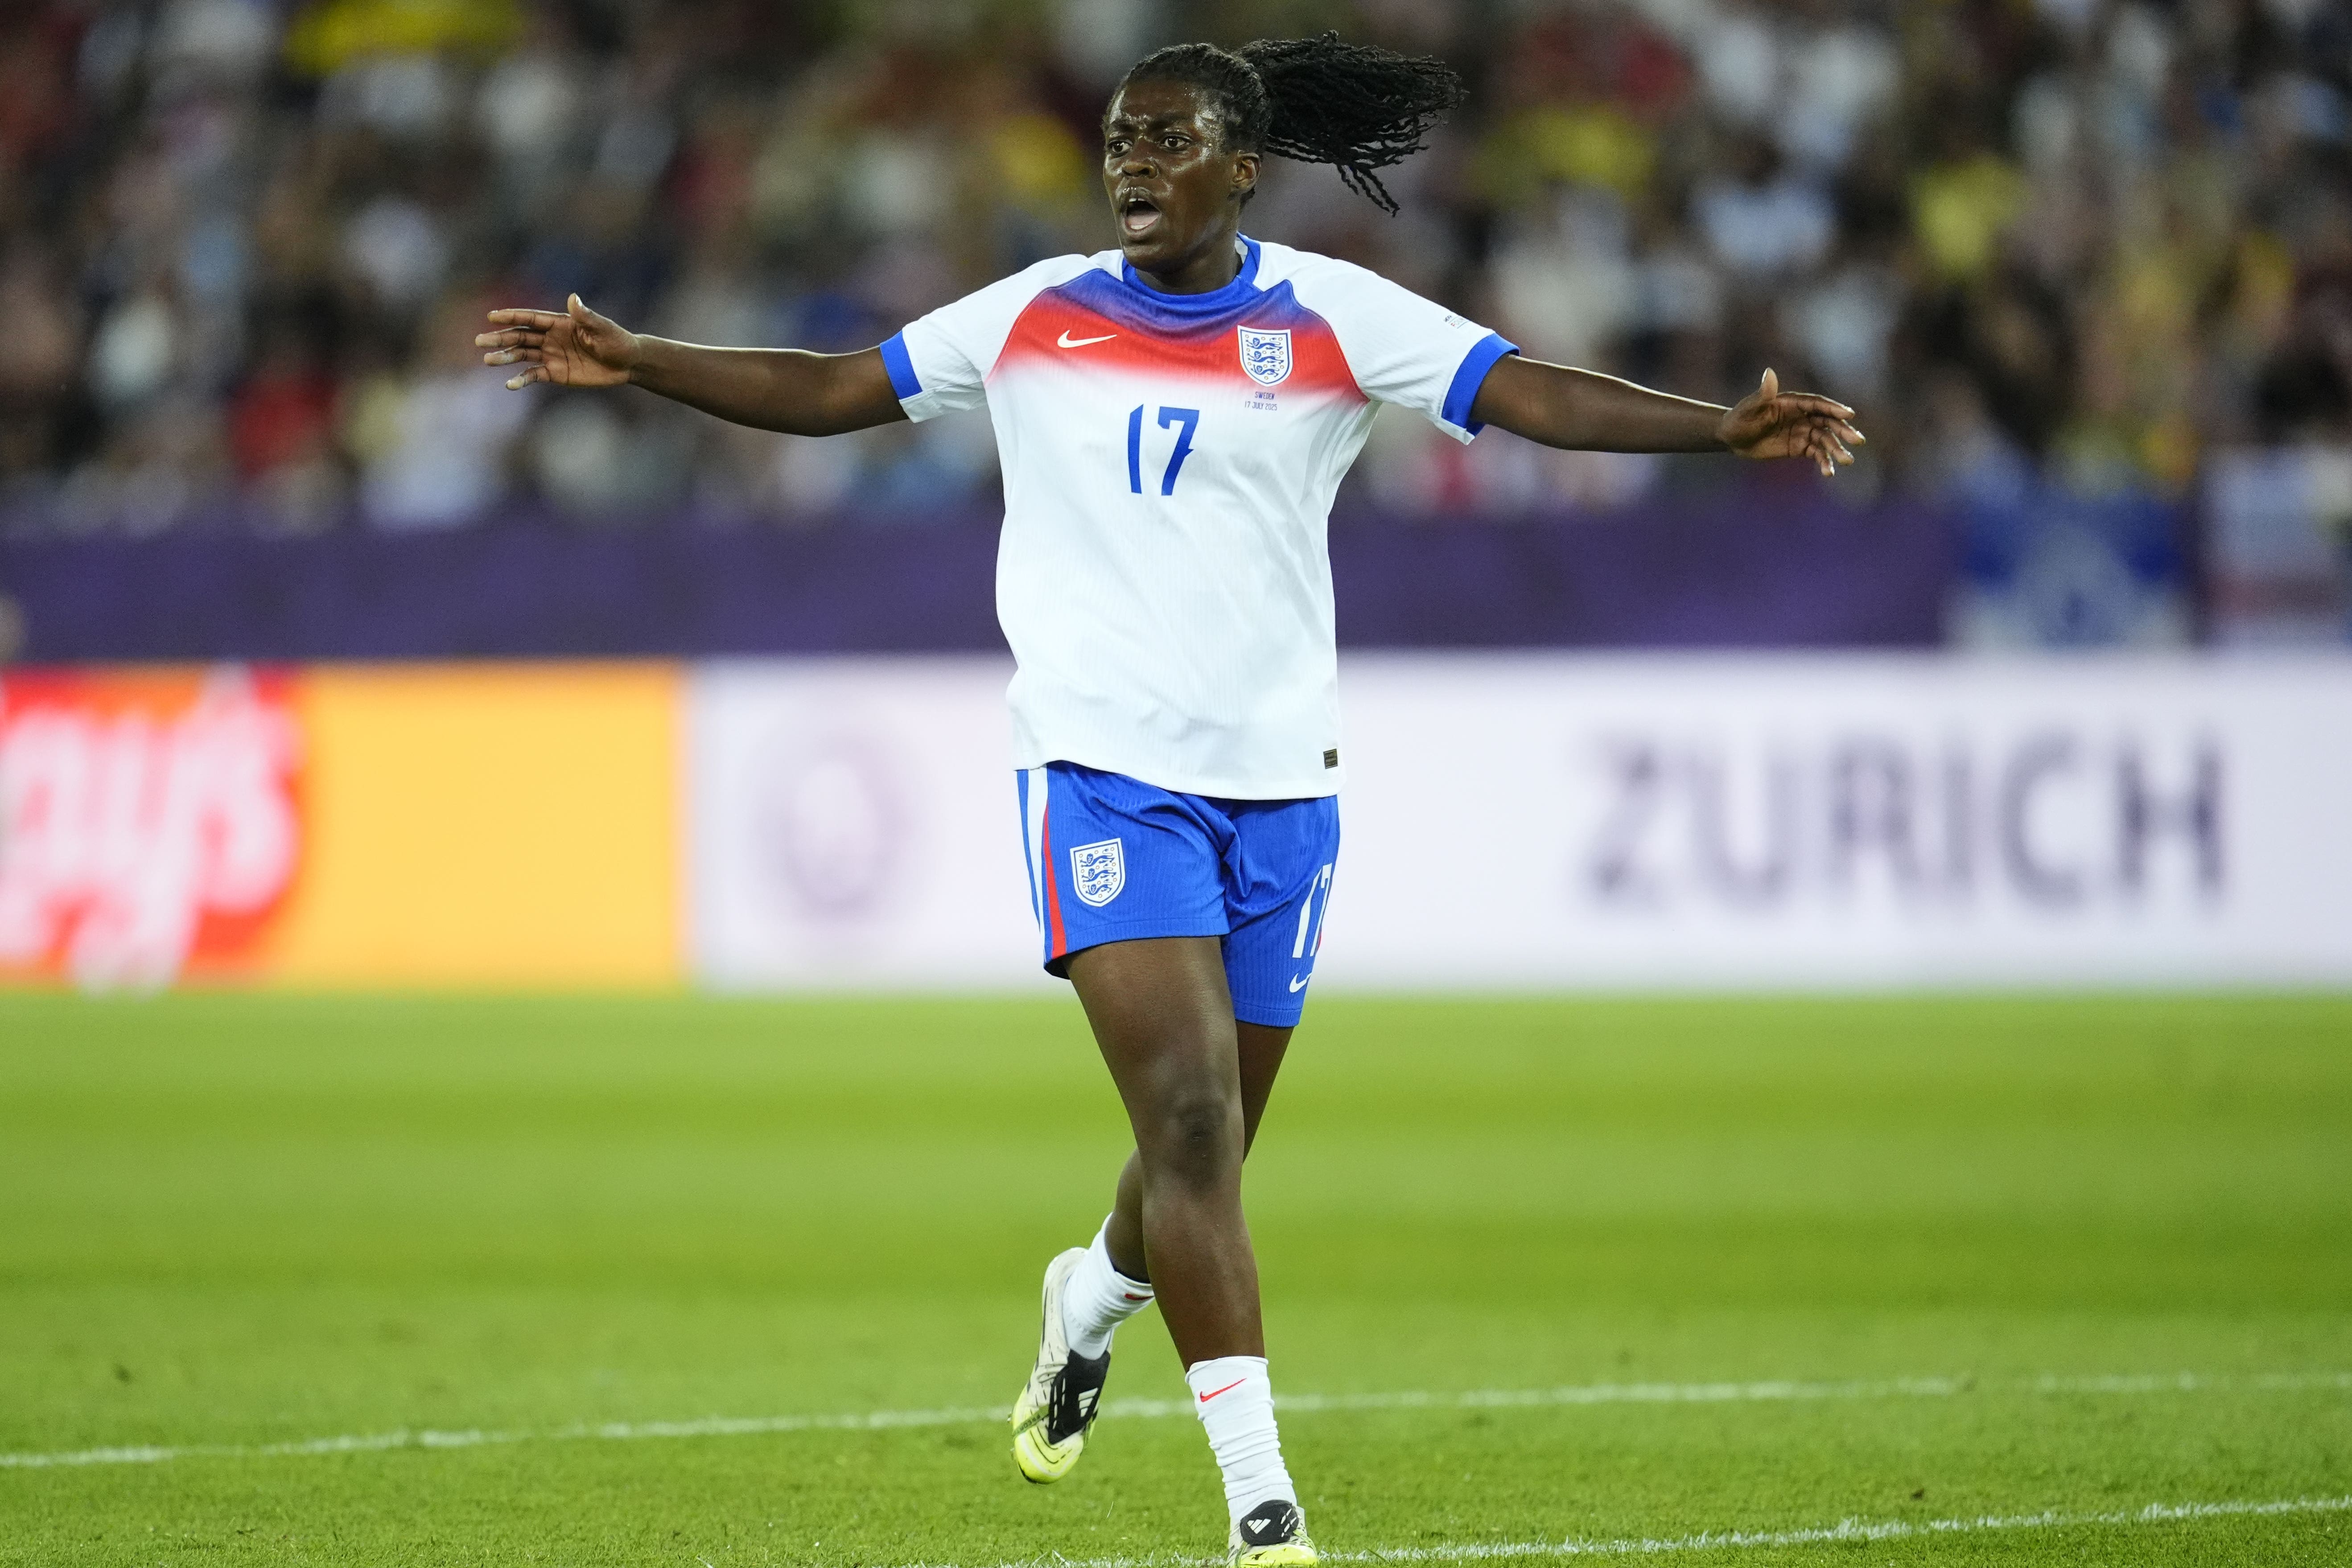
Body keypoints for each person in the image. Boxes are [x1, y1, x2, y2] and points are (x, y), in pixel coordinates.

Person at [478, 34, 1862, 1567]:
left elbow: (1526, 393)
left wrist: (1712, 429)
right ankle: (1263, 1508)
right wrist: (646, 359)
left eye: (1166, 139)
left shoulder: (1334, 315)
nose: (1131, 162)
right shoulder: (1034, 312)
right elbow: (830, 389)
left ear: (1239, 167)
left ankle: (1092, 1298)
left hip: (1283, 791)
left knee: (1204, 1146)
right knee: (1192, 1116)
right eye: (1120, 140)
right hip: (1102, 773)